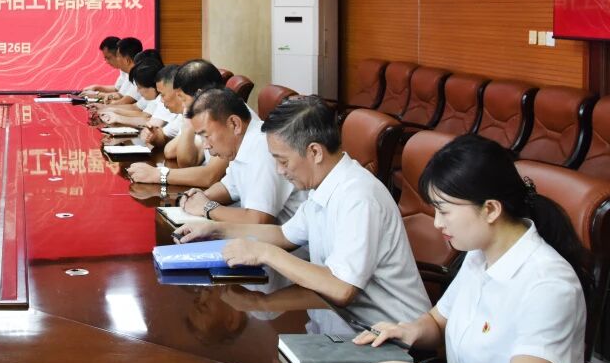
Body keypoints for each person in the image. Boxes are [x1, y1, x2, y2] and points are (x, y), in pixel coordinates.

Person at [328, 135, 590, 363]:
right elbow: (439, 321)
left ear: (490, 209)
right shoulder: (479, 253)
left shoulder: (548, 284)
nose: (437, 223)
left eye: (444, 211)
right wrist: (408, 330)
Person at [174, 96, 430, 327]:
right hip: (342, 324)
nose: (279, 170)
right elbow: (284, 235)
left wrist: (264, 253)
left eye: (283, 161)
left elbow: (341, 288)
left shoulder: (359, 197)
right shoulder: (324, 185)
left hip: (391, 336)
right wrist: (215, 229)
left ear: (315, 152)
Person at [176, 87, 305, 225]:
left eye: (206, 136)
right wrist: (199, 197)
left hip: (288, 237)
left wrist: (207, 208)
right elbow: (229, 188)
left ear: (234, 124)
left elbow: (258, 220)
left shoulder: (264, 147)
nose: (205, 145)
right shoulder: (241, 144)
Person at [126, 59, 227, 187]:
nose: (183, 106)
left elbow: (210, 176)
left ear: (199, 94)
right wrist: (188, 123)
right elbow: (185, 161)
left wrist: (158, 174)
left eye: (182, 98)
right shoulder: (204, 115)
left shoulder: (226, 116)